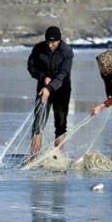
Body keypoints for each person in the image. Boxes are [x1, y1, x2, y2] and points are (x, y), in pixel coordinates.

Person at [27, 26, 74, 155]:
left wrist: (50, 87)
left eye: (53, 42)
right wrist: (42, 77)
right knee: (38, 122)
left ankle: (58, 154)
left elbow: (64, 73)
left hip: (62, 90)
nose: (50, 44)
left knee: (60, 123)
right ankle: (34, 155)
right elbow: (31, 67)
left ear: (59, 41)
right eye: (48, 41)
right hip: (42, 89)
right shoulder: (38, 49)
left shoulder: (67, 51)